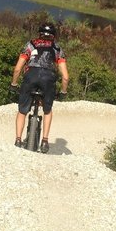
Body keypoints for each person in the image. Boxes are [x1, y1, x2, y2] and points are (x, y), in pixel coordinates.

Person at [10, 23, 69, 153]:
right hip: (48, 79)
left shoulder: (31, 44)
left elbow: (18, 68)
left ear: (39, 33)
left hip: (30, 76)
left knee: (22, 111)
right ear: (54, 35)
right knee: (47, 111)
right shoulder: (57, 49)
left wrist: (14, 83)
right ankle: (45, 141)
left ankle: (18, 139)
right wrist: (63, 91)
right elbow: (65, 77)